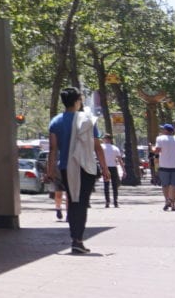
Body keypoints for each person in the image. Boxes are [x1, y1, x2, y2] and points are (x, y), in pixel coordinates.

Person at [48, 87, 101, 255]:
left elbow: (53, 149)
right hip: (85, 166)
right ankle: (78, 239)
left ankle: (75, 238)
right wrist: (105, 168)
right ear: (77, 101)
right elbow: (97, 146)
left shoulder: (55, 122)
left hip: (66, 167)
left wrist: (50, 170)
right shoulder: (87, 120)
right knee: (82, 202)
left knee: (72, 200)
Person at [153, 123, 175, 210]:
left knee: (165, 185)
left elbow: (157, 151)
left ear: (166, 131)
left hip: (164, 165)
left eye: (163, 129)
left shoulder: (160, 138)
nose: (162, 130)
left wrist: (151, 148)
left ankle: (167, 201)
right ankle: (173, 204)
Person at [98, 132, 121, 209]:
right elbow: (120, 160)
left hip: (105, 167)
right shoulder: (115, 148)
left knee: (106, 185)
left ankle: (107, 202)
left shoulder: (101, 147)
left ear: (105, 139)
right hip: (114, 167)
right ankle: (115, 202)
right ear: (110, 140)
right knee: (115, 186)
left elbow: (98, 157)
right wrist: (124, 170)